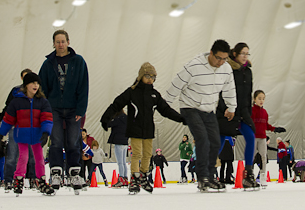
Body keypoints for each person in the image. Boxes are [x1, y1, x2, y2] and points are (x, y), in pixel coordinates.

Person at [101, 62, 184, 194]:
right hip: (135, 129)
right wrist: (105, 118)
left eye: (153, 77)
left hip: (148, 130)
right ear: (141, 76)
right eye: (147, 76)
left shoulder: (155, 95)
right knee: (137, 154)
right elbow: (117, 104)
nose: (150, 79)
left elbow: (166, 110)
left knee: (147, 155)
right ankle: (134, 178)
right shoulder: (132, 92)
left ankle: (143, 175)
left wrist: (181, 118)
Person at [164, 39, 236, 192]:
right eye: (218, 58)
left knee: (216, 142)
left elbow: (230, 89)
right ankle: (202, 177)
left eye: (225, 58)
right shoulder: (194, 66)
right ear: (211, 53)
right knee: (202, 139)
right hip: (190, 107)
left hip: (209, 109)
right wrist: (164, 106)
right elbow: (176, 85)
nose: (221, 62)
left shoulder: (226, 69)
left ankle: (210, 176)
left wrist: (231, 107)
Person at [38, 30, 89, 193]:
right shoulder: (48, 64)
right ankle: (56, 172)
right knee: (56, 140)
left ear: (68, 42)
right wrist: (45, 108)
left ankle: (75, 171)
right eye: (57, 42)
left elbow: (83, 87)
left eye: (63, 41)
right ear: (53, 43)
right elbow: (42, 88)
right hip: (54, 109)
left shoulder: (78, 61)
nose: (60, 45)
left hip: (74, 108)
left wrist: (81, 109)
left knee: (73, 141)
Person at [0, 72, 54, 196]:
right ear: (26, 85)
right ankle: (18, 180)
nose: (36, 85)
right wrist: (1, 134)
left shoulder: (42, 102)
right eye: (33, 83)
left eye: (37, 83)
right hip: (22, 135)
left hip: (37, 135)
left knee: (39, 159)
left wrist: (46, 132)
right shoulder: (17, 102)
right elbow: (8, 119)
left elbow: (47, 118)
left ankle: (42, 181)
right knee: (23, 157)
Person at [216, 42, 258, 190]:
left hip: (243, 112)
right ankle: (208, 172)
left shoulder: (248, 71)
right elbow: (220, 91)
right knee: (219, 142)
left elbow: (248, 94)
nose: (245, 56)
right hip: (228, 111)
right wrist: (224, 108)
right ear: (235, 54)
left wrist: (249, 112)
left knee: (250, 137)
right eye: (243, 54)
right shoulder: (227, 69)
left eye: (247, 54)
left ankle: (248, 174)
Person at [0, 68, 37, 192]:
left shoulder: (36, 92)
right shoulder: (15, 91)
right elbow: (8, 107)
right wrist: (0, 120)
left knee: (32, 155)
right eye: (24, 77)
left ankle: (33, 179)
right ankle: (8, 180)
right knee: (12, 155)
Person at [251, 90, 285, 188]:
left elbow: (266, 125)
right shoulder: (252, 111)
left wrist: (275, 129)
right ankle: (250, 175)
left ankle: (262, 177)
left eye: (263, 99)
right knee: (251, 157)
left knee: (263, 157)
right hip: (253, 137)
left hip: (262, 137)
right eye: (259, 98)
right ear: (254, 99)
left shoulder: (264, 112)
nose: (261, 100)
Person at [105, 109, 128, 187]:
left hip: (118, 142)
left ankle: (121, 178)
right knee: (124, 162)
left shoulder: (117, 119)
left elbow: (108, 124)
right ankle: (125, 178)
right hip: (125, 142)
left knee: (120, 163)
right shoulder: (126, 118)